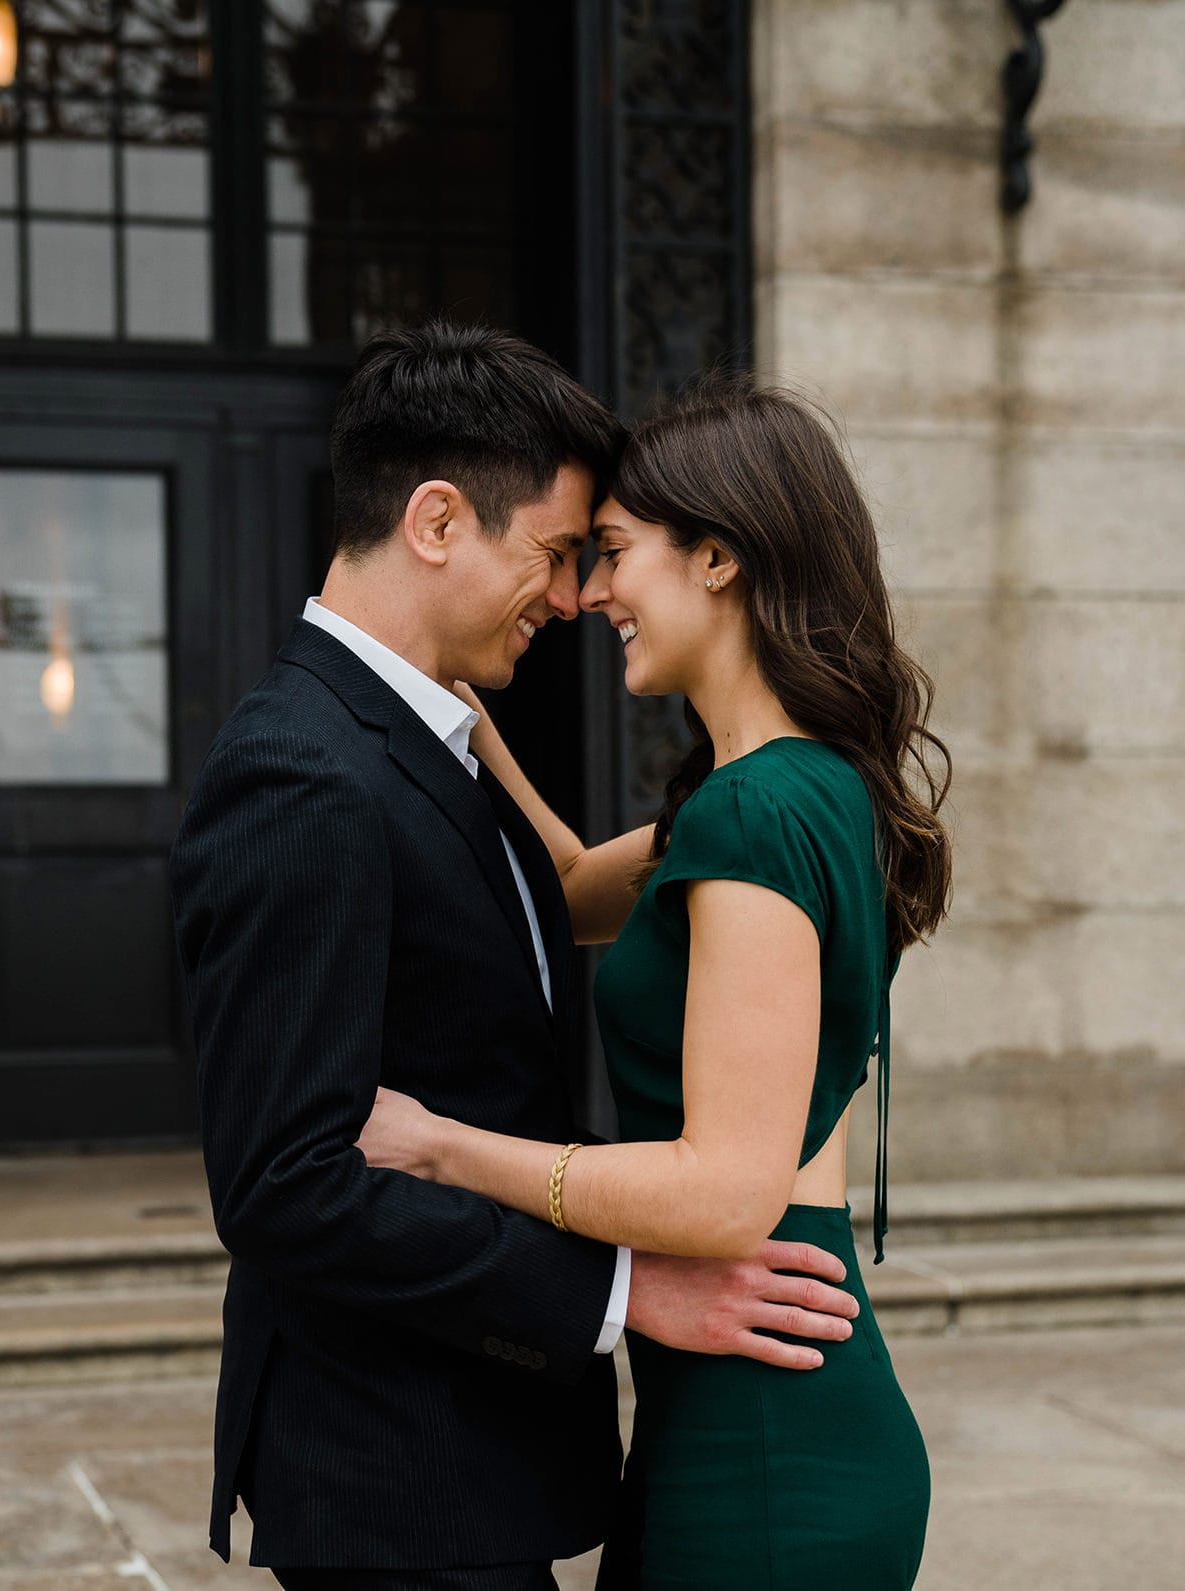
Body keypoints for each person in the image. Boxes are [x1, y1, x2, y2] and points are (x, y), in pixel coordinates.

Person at [170, 325, 869, 1591]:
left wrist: (464, 724)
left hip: (496, 1459)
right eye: (556, 554)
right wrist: (615, 1291)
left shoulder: (453, 749)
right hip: (393, 1469)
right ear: (437, 522)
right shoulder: (302, 772)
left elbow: (550, 897)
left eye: (600, 558)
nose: (573, 596)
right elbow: (284, 1183)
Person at [358, 381, 952, 1588]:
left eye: (616, 553)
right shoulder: (794, 788)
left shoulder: (755, 811)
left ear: (719, 557)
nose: (588, 596)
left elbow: (724, 1193)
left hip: (768, 1449)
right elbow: (572, 887)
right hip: (747, 1414)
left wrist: (442, 1149)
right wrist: (455, 712)